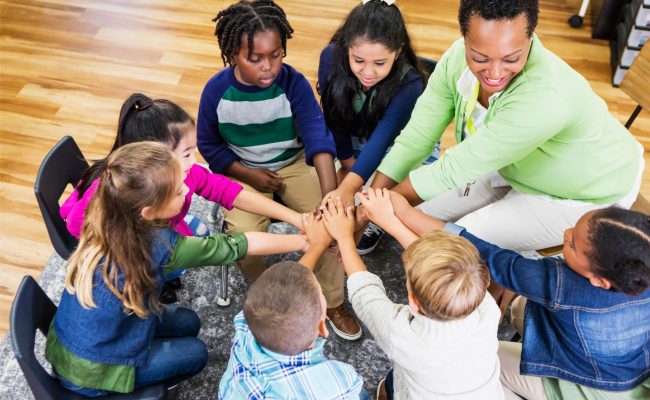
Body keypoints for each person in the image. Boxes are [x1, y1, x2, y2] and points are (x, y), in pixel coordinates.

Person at [362, 0, 644, 258]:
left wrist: (367, 212)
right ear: (464, 38)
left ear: (530, 38)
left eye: (511, 58)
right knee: (418, 214)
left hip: (582, 191)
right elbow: (416, 138)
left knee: (458, 246)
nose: (494, 73)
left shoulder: (545, 97)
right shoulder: (456, 58)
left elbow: (451, 170)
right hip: (514, 163)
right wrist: (370, 203)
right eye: (480, 58)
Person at [45, 142, 309, 397]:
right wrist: (302, 241)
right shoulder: (161, 248)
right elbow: (239, 244)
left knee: (189, 321)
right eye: (177, 191)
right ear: (148, 213)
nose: (185, 188)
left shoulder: (107, 215)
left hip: (80, 334)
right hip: (91, 371)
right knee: (196, 353)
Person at [377, 189, 650, 400]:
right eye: (572, 228)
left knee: (476, 363)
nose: (565, 233)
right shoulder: (640, 268)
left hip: (590, 389)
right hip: (631, 369)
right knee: (521, 309)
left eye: (571, 244)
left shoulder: (559, 285)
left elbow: (491, 256)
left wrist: (402, 216)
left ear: (599, 281)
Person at [197, 0, 361, 340]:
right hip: (243, 172)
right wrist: (248, 174)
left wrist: (330, 198)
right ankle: (265, 286)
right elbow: (209, 146)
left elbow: (318, 137)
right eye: (254, 58)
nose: (268, 66)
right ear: (232, 55)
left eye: (275, 54)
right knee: (242, 238)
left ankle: (331, 300)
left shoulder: (293, 84)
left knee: (330, 226)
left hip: (292, 163)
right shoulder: (216, 92)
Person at [60, 93, 303, 303]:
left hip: (160, 229)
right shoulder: (105, 197)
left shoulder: (180, 175)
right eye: (187, 154)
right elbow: (75, 225)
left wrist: (296, 218)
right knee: (178, 256)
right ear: (154, 157)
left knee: (193, 239)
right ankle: (158, 278)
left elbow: (230, 192)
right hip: (131, 251)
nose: (194, 162)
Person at [321, 196, 504, 400]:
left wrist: (344, 238)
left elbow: (365, 293)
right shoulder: (485, 307)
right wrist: (390, 222)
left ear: (413, 303)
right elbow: (438, 266)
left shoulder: (402, 336)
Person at [316, 0, 432, 255]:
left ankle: (376, 218)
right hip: (352, 133)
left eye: (380, 63)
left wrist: (349, 186)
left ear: (398, 51)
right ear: (347, 48)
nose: (368, 72)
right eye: (358, 60)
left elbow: (385, 135)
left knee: (394, 183)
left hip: (395, 140)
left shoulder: (409, 81)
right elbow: (333, 116)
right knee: (323, 176)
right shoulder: (330, 57)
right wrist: (347, 163)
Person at [218, 213, 369, 400]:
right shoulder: (340, 382)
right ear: (322, 328)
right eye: (321, 295)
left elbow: (290, 284)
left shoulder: (246, 326)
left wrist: (317, 246)